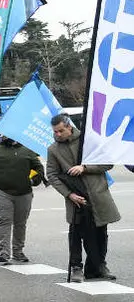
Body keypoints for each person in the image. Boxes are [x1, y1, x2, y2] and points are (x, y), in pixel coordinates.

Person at [47, 114, 120, 282]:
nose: (57, 134)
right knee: (76, 234)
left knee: (101, 233)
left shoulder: (88, 141)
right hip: (75, 198)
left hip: (98, 195)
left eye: (60, 131)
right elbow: (52, 175)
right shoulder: (53, 149)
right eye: (55, 132)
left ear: (69, 127)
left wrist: (84, 167)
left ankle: (98, 266)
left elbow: (108, 163)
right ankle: (76, 267)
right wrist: (69, 194)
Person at [0, 136, 44, 264]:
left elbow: (39, 169)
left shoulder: (28, 150)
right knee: (4, 221)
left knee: (20, 223)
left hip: (24, 193)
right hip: (2, 192)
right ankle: (4, 252)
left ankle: (18, 251)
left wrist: (33, 181)